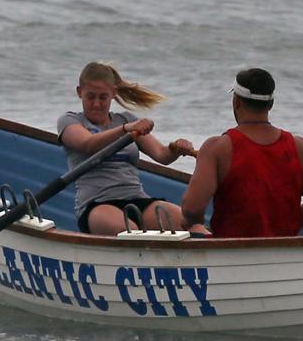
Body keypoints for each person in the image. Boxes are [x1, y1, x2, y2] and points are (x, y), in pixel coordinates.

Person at [181, 68, 303, 237]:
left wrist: (194, 223)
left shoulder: (216, 148)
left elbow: (192, 208)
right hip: (285, 249)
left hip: (231, 251)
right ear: (271, 104)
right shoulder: (300, 147)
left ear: (236, 102)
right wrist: (291, 223)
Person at [57, 62, 200, 235]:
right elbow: (89, 144)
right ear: (80, 92)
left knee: (193, 226)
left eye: (103, 97)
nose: (96, 104)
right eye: (90, 97)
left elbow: (162, 155)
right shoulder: (70, 121)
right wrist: (126, 130)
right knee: (131, 233)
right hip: (97, 206)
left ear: (113, 94)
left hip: (137, 199)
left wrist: (176, 148)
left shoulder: (126, 120)